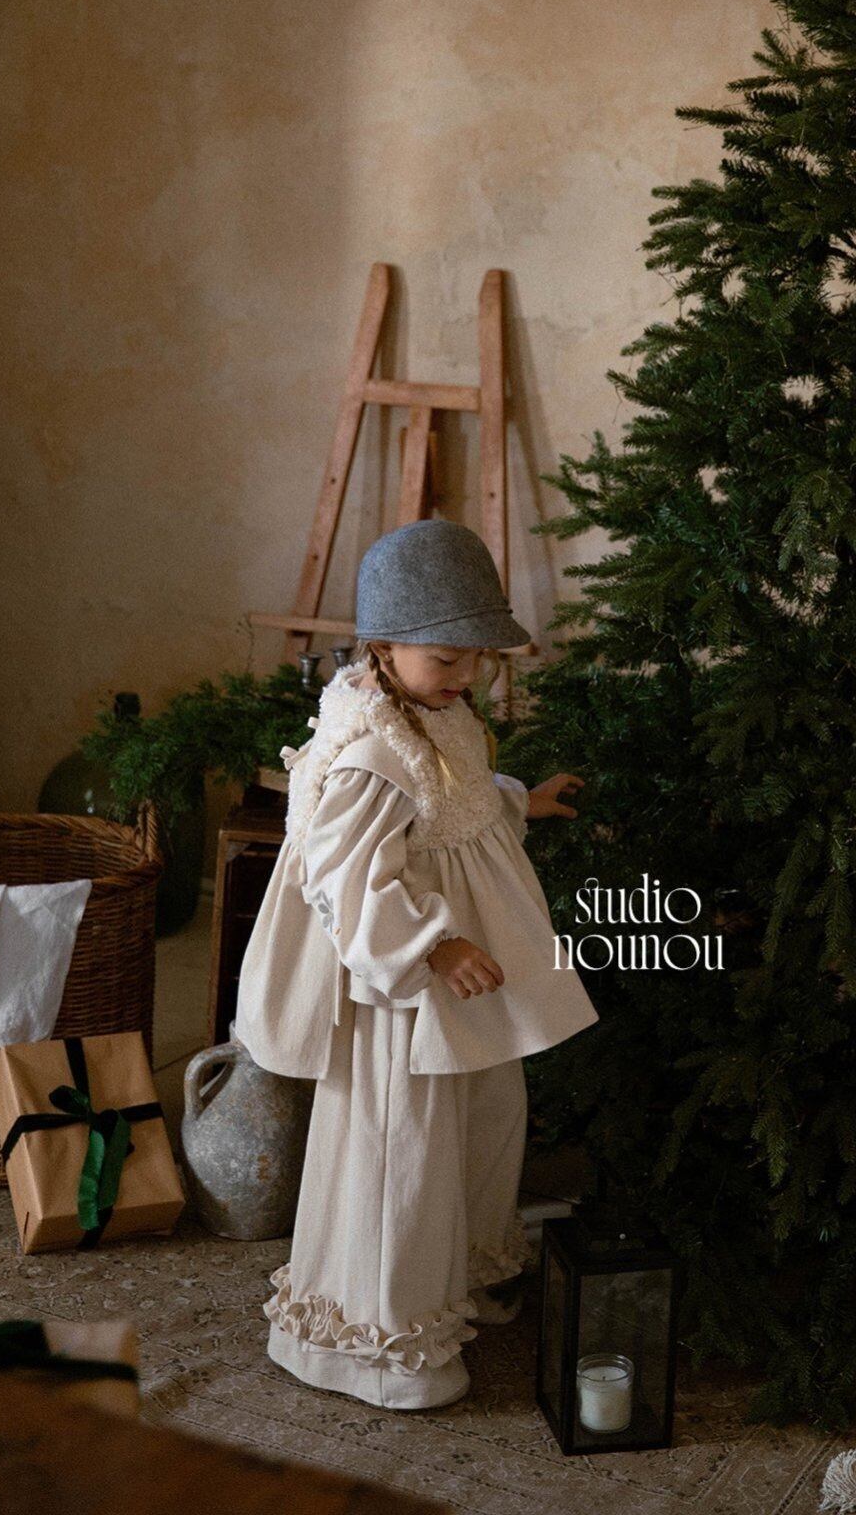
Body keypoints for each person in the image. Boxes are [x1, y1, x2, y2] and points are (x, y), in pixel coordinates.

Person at [233, 518, 598, 1410]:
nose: (466, 673)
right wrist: (431, 943)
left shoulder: (437, 713)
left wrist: (520, 802)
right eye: (447, 658)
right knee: (405, 1143)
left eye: (478, 656)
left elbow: (456, 800)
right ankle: (382, 1339)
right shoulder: (370, 755)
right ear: (383, 648)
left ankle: (456, 1276)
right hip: (405, 992)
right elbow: (344, 877)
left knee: (484, 1113)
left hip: (466, 985)